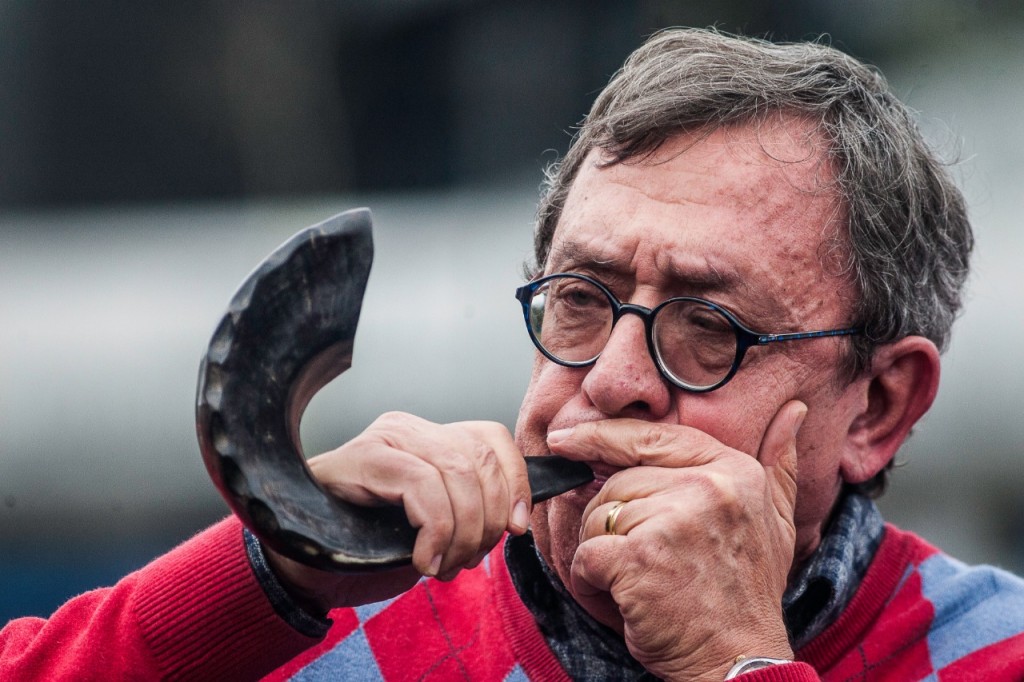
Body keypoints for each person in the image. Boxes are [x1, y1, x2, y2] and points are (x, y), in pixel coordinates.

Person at [4, 27, 1022, 682]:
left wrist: (734, 661)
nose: (614, 378)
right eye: (581, 301)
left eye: (707, 327)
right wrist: (268, 569)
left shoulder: (992, 652)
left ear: (879, 405)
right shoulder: (318, 637)